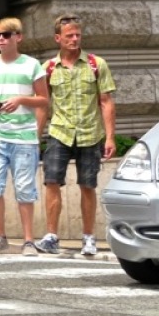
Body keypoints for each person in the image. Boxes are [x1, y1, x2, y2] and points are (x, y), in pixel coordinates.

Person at [35, 14, 117, 258]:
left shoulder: (95, 64)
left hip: (90, 133)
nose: (74, 39)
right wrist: (36, 136)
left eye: (77, 35)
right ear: (57, 38)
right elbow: (42, 105)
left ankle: (89, 237)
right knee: (51, 182)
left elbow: (106, 102)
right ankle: (51, 236)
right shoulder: (48, 68)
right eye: (69, 35)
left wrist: (110, 137)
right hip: (59, 132)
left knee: (87, 185)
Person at [0, 17, 49, 255]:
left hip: (24, 136)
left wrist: (20, 100)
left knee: (25, 189)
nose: (1, 39)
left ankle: (29, 240)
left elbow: (43, 99)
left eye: (6, 35)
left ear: (18, 37)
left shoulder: (32, 65)